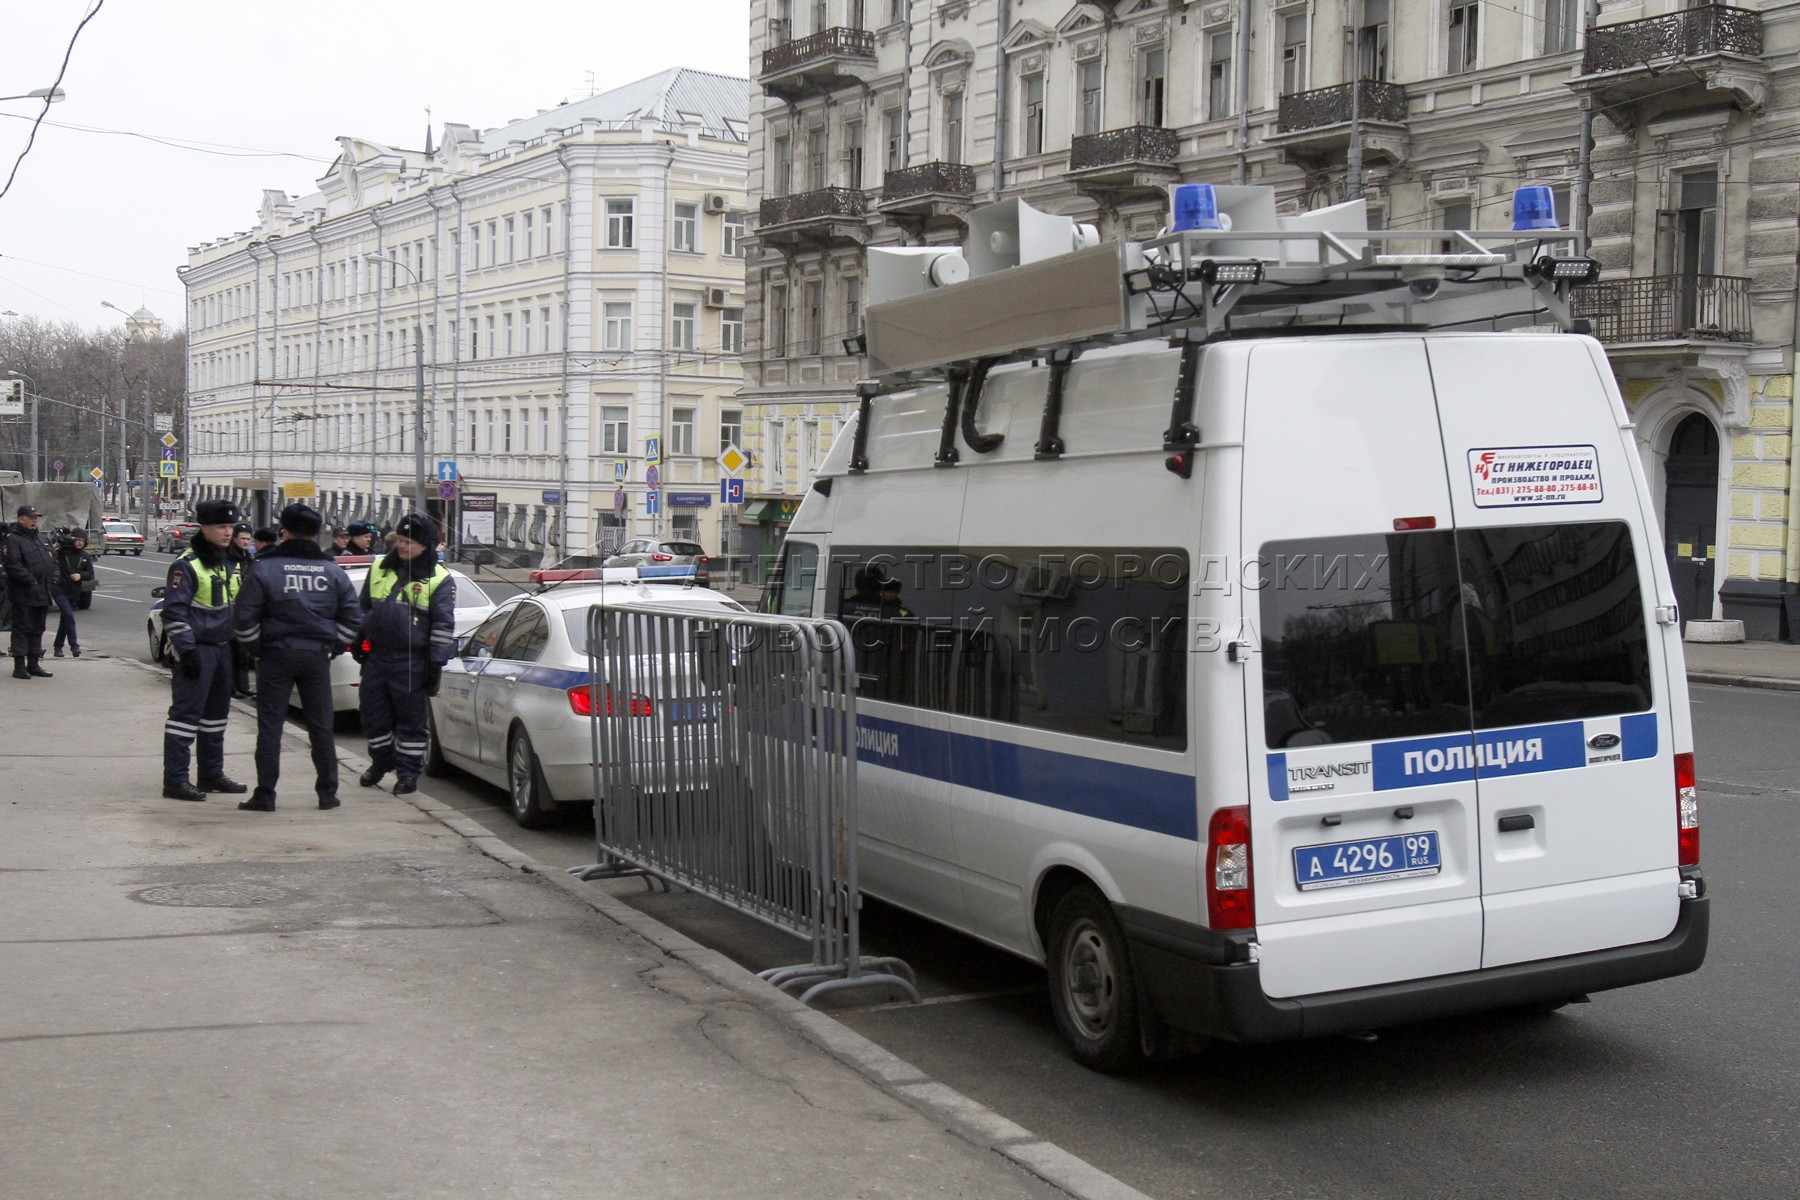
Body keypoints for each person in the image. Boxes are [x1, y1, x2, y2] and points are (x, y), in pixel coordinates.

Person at [234, 503, 361, 812]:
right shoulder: (331, 570)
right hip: (317, 657)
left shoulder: (264, 568)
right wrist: (336, 647)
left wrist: (256, 650)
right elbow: (353, 618)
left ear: (285, 534)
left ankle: (265, 795)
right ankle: (327, 794)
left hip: (276, 656)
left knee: (270, 728)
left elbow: (243, 618)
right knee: (321, 727)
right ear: (316, 535)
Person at [355, 513, 455, 796]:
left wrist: (435, 663)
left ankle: (408, 775)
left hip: (412, 660)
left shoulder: (439, 578)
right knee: (372, 715)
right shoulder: (379, 567)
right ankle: (381, 761)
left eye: (409, 542)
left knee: (411, 723)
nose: (402, 546)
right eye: (400, 539)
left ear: (425, 545)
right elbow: (363, 607)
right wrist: (358, 639)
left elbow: (443, 625)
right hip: (378, 657)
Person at [160, 500, 248, 801]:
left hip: (223, 649)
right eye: (222, 527)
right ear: (205, 528)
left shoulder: (230, 561)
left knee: (216, 717)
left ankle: (211, 774)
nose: (228, 532)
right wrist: (188, 651)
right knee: (185, 717)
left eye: (231, 527)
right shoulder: (187, 564)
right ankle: (175, 781)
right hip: (198, 650)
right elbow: (174, 613)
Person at [2, 505, 59, 679]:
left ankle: (34, 663)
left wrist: (55, 578)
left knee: (38, 629)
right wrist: (30, 581)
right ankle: (19, 666)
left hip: (42, 593)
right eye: (31, 517)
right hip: (24, 593)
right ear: (21, 519)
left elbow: (53, 560)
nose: (34, 520)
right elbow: (13, 565)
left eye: (36, 517)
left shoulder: (42, 539)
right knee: (22, 629)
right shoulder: (13, 540)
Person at [50, 529, 94, 658]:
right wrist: (62, 543)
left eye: (82, 541)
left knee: (65, 620)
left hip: (74, 591)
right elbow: (56, 554)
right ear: (73, 540)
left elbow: (89, 573)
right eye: (78, 540)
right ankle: (74, 646)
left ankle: (58, 647)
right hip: (59, 589)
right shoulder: (64, 553)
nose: (80, 543)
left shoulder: (85, 556)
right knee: (69, 616)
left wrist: (80, 575)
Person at [230, 523, 257, 700]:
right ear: (235, 539)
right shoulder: (229, 558)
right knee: (232, 653)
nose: (246, 542)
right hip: (230, 610)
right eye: (242, 538)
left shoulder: (249, 558)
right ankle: (233, 687)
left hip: (245, 610)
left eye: (248, 539)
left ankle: (244, 686)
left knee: (242, 653)